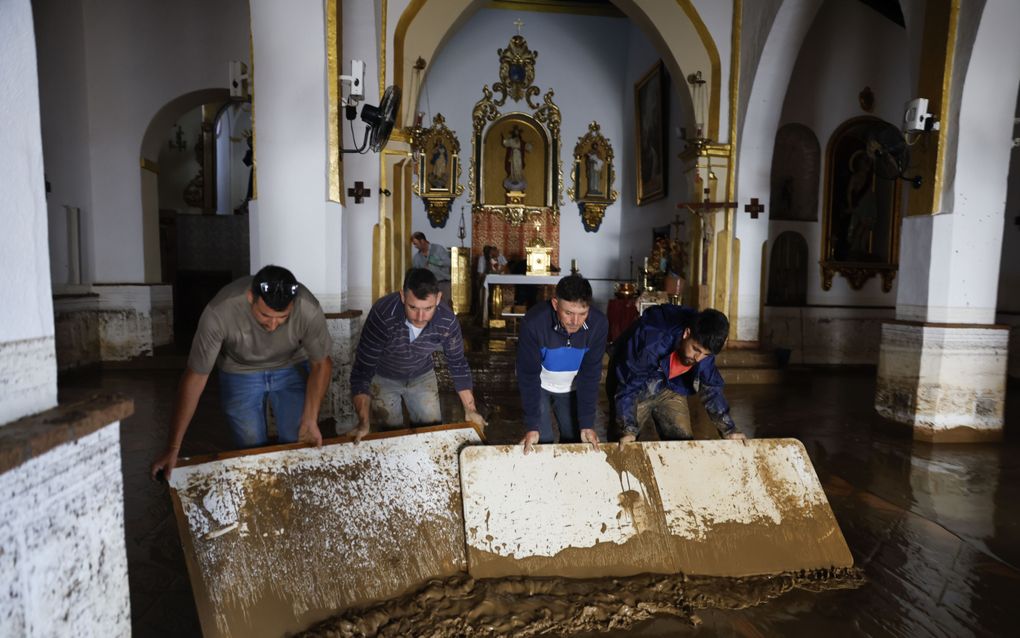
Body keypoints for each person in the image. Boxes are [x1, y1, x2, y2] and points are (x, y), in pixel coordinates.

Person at [150, 265, 332, 480]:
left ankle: (293, 493)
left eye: (282, 317)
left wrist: (311, 418)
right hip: (240, 370)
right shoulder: (220, 311)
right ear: (250, 297)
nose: (273, 325)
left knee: (298, 441)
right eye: (265, 315)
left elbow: (322, 364)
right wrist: (173, 447)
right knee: (250, 446)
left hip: (290, 365)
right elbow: (196, 377)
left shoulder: (307, 307)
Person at [349, 268, 485, 440]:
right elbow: (362, 370)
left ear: (438, 299)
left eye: (428, 308)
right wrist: (363, 422)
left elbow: (457, 364)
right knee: (389, 437)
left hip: (422, 376)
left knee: (430, 435)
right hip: (383, 378)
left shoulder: (447, 321)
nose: (420, 317)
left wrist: (470, 410)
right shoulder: (383, 314)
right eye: (413, 307)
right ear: (402, 296)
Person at [608, 305, 745, 444]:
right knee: (624, 443)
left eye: (706, 354)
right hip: (632, 384)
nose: (698, 358)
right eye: (695, 350)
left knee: (682, 444)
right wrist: (627, 429)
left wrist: (729, 430)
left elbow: (711, 388)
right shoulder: (653, 341)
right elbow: (628, 385)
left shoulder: (703, 342)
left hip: (670, 386)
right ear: (687, 333)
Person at [517, 275, 608, 453]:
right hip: (539, 385)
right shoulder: (534, 323)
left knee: (574, 440)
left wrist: (587, 423)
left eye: (582, 314)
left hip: (571, 388)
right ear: (555, 304)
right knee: (542, 441)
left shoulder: (599, 324)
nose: (575, 322)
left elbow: (590, 374)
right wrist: (532, 425)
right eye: (568, 313)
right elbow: (528, 375)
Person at [411, 231, 453, 308]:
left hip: (444, 284)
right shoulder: (417, 258)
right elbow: (415, 273)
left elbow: (449, 263)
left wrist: (436, 262)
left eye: (416, 243)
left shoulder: (438, 249)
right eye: (414, 244)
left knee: (446, 307)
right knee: (432, 307)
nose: (415, 246)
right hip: (429, 286)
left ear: (422, 241)